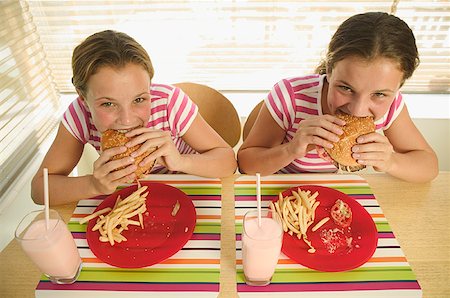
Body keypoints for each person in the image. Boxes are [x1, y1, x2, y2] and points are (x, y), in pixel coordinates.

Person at [32, 30, 237, 205]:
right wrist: (93, 185)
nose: (127, 120)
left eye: (139, 99)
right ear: (83, 98)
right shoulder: (79, 115)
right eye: (108, 104)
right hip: (131, 199)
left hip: (189, 191)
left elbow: (227, 161)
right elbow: (40, 190)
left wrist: (181, 161)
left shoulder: (169, 102)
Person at [238, 12, 438, 183]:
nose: (358, 110)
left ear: (398, 87)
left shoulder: (393, 106)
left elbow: (429, 166)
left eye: (379, 94)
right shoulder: (290, 97)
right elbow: (246, 163)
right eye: (345, 88)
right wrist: (291, 149)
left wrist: (391, 161)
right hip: (282, 195)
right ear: (330, 71)